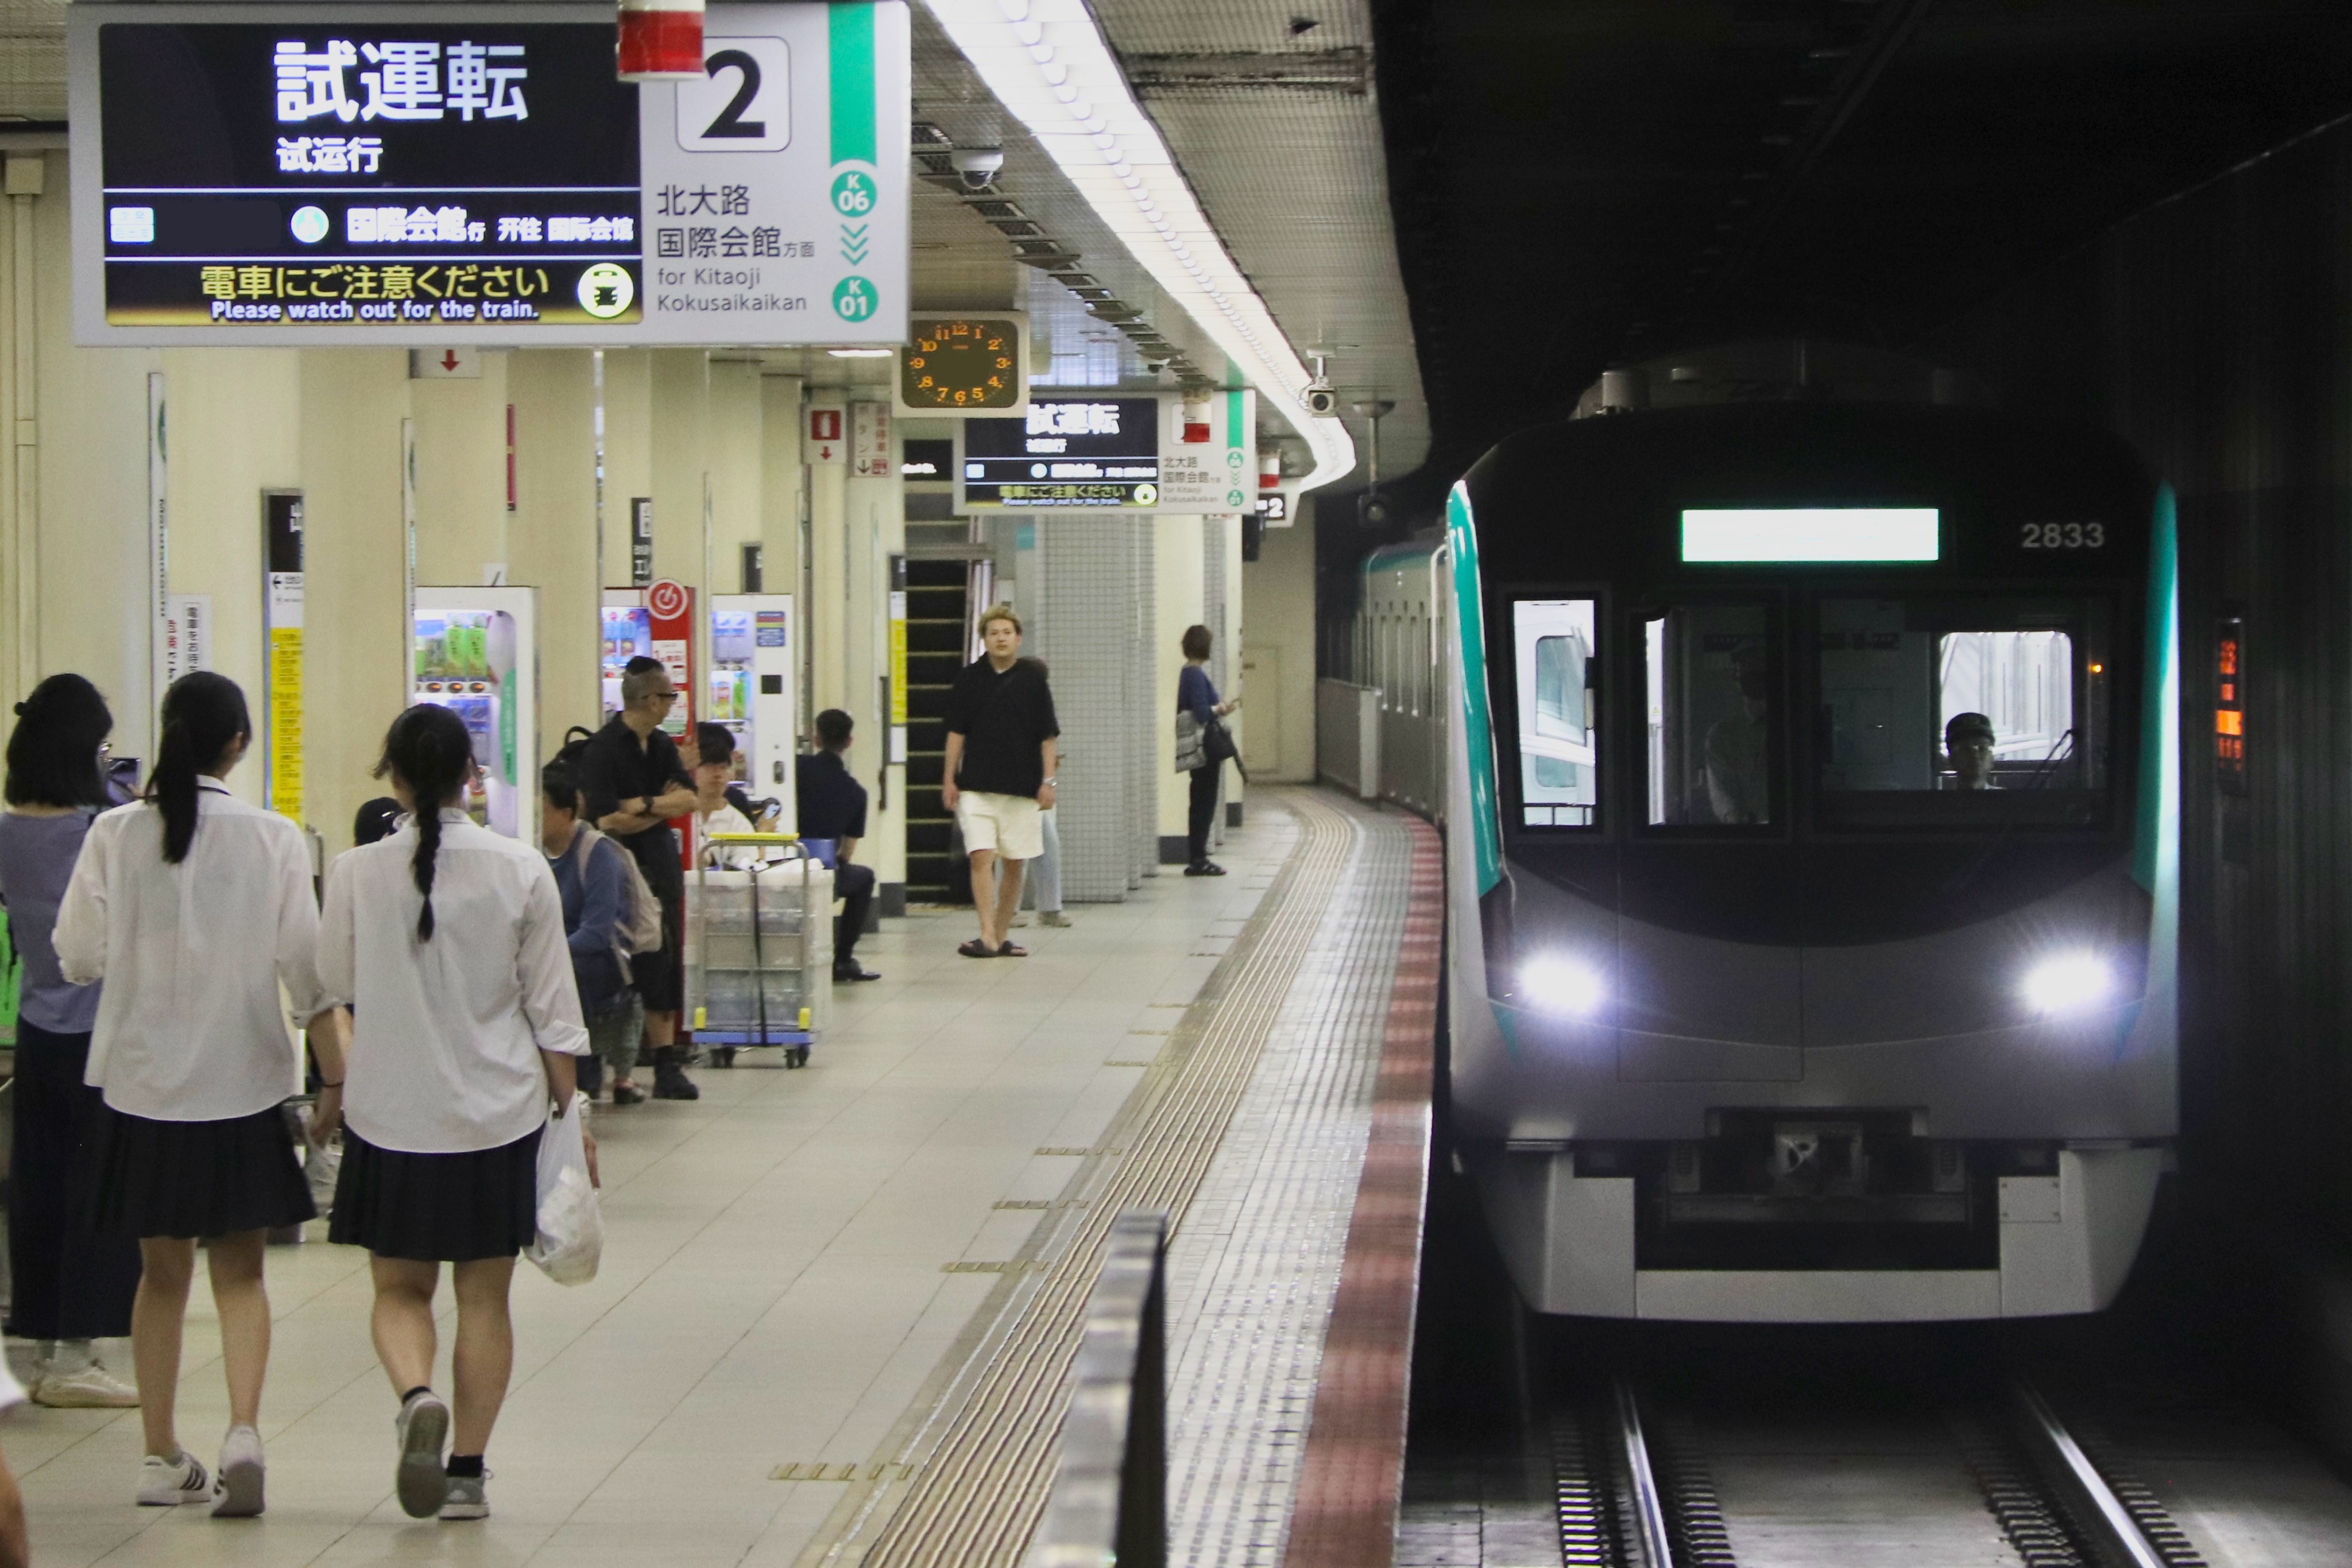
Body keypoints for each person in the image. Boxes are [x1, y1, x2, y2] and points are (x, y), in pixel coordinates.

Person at [56, 670, 346, 1519]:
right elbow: (308, 971)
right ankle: (245, 1432)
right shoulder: (275, 837)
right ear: (240, 742)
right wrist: (335, 1076)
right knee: (242, 1273)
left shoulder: (114, 831)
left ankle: (157, 1453)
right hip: (243, 1082)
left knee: (160, 1275)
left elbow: (76, 952)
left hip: (143, 1085)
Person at [319, 704, 593, 1523]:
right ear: (472, 776)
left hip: (389, 1113)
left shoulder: (356, 870)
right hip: (496, 1116)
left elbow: (329, 984)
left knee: (399, 1287)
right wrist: (572, 1114)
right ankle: (468, 1470)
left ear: (393, 778)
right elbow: (554, 1010)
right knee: (484, 1297)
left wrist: (335, 1089)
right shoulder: (520, 868)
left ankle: (415, 1395)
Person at [0, 675, 143, 1409]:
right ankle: (79, 1352)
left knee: (41, 1187)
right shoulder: (102, 831)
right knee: (100, 1190)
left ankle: (45, 1338)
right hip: (100, 1030)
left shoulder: (7, 831)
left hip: (35, 1027)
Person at [573, 655, 700, 1101]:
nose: (672, 703)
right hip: (620, 868)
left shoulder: (662, 745)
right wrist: (656, 806)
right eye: (668, 695)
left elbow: (690, 797)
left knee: (664, 957)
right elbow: (607, 819)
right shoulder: (603, 749)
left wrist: (642, 806)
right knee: (626, 961)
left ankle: (667, 1062)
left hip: (660, 864)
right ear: (649, 699)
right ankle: (617, 1064)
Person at [942, 607, 1059, 958]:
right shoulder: (969, 679)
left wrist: (1048, 781)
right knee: (982, 856)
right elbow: (956, 733)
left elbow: (1048, 736)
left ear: (1018, 638)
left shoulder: (1033, 682)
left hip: (1022, 788)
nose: (1001, 638)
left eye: (1007, 632)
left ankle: (1002, 933)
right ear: (985, 639)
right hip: (976, 787)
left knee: (1015, 862)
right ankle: (987, 933)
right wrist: (949, 778)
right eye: (994, 632)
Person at [541, 761, 644, 1106]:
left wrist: (546, 953)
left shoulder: (597, 853)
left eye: (541, 810)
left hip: (602, 960)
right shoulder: (533, 856)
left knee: (570, 976)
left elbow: (597, 933)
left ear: (566, 812)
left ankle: (581, 1079)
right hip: (555, 950)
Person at [796, 708, 880, 981]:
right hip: (823, 872)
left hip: (782, 866)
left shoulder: (795, 769)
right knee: (865, 878)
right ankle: (843, 958)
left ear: (816, 739)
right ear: (849, 742)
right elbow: (848, 850)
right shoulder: (856, 793)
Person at [1177, 626, 1241, 877]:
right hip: (1204, 750)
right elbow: (1203, 713)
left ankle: (1197, 856)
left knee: (1199, 801)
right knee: (1205, 802)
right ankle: (1198, 858)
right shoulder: (1195, 675)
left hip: (1200, 750)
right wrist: (1221, 708)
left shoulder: (1189, 673)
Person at [1703, 642, 1771, 824]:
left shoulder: (1798, 728)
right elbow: (1726, 802)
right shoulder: (1723, 736)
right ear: (1737, 680)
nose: (1756, 678)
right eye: (1747, 671)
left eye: (1761, 671)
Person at [689, 722, 766, 870]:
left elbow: (747, 866)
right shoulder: (677, 815)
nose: (718, 774)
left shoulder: (737, 822)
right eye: (708, 766)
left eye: (723, 767)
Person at [1946, 711, 1999, 789]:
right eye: (1965, 749)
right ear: (1952, 759)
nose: (1975, 755)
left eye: (1982, 748)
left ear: (1991, 758)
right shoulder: (1938, 801)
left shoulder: (2009, 800)